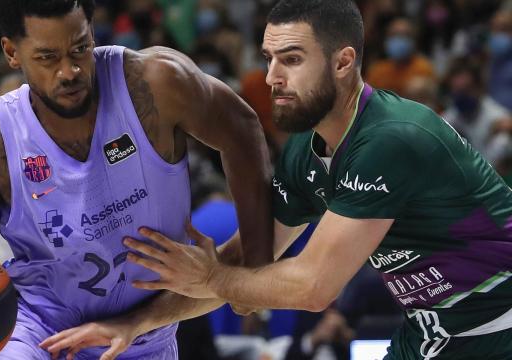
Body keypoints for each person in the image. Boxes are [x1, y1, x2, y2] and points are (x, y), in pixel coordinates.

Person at [42, 1, 512, 359]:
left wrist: (215, 277)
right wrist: (134, 324)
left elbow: (312, 288)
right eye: (268, 58)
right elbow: (242, 265)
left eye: (291, 59)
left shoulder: (391, 140)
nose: (270, 77)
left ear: (343, 62)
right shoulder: (304, 153)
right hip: (434, 329)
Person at [0, 1, 274, 359]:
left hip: (143, 332)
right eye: (48, 57)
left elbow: (242, 131)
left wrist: (255, 267)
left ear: (92, 31)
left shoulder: (154, 85)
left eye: (80, 48)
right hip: (36, 325)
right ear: (12, 53)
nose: (69, 71)